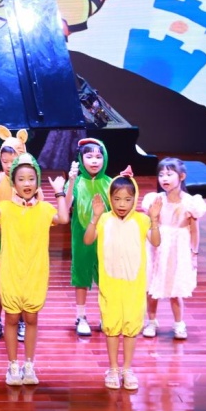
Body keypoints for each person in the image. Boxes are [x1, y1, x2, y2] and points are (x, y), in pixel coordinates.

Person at [0, 153, 69, 386]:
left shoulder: (44, 209)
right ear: (14, 183)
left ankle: (29, 364)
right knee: (11, 317)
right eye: (21, 179)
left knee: (31, 317)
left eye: (31, 178)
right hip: (11, 271)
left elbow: (63, 218)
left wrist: (60, 192)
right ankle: (13, 365)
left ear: (37, 181)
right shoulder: (5, 208)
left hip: (35, 272)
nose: (27, 183)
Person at [83, 176, 161, 390]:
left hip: (134, 286)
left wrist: (154, 220)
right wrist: (94, 217)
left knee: (130, 329)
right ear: (110, 198)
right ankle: (113, 368)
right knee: (111, 327)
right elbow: (87, 240)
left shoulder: (142, 220)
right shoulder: (104, 219)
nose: (122, 204)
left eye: (127, 199)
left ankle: (127, 368)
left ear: (135, 199)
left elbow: (156, 242)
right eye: (117, 199)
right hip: (110, 285)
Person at [141, 157, 206, 340]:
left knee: (175, 288)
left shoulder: (190, 203)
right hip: (157, 245)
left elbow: (194, 231)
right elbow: (150, 223)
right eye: (161, 174)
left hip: (177, 248)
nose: (164, 178)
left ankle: (179, 323)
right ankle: (151, 321)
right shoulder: (155, 200)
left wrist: (194, 253)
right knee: (152, 285)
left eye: (169, 174)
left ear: (181, 176)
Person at [0, 126, 30, 344]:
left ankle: (20, 320)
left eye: (14, 160)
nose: (9, 165)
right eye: (5, 161)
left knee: (21, 281)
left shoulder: (28, 181)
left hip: (21, 240)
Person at [66, 138, 113, 337]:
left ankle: (106, 315)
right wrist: (71, 182)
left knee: (105, 277)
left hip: (106, 239)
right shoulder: (76, 182)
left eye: (99, 156)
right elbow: (65, 206)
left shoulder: (110, 182)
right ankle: (81, 316)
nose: (94, 161)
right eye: (89, 156)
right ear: (80, 159)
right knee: (81, 276)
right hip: (81, 236)